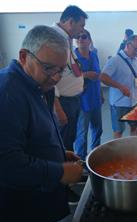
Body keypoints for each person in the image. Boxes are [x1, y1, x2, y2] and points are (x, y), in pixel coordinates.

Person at [0, 25, 83, 222]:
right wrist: (60, 171)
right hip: (22, 209)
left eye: (61, 70)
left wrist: (59, 153)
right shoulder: (7, 94)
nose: (55, 77)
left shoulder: (39, 84)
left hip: (43, 199)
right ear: (23, 56)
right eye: (48, 68)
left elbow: (34, 133)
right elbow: (8, 164)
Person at [52, 5, 88, 151]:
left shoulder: (65, 38)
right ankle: (66, 172)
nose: (82, 30)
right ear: (70, 22)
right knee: (63, 142)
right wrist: (57, 107)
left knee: (69, 138)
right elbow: (48, 76)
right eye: (81, 25)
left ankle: (69, 168)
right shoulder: (54, 38)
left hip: (72, 100)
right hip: (62, 102)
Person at [100, 35, 137, 139]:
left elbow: (135, 75)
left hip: (134, 101)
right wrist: (120, 86)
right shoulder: (115, 60)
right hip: (119, 103)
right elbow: (102, 77)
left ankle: (134, 149)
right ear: (128, 45)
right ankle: (119, 152)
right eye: (136, 49)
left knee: (135, 127)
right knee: (118, 131)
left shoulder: (136, 60)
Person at [73, 29, 103, 160]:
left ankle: (95, 155)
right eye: (78, 37)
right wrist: (86, 75)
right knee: (82, 133)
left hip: (95, 97)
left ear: (89, 40)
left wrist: (101, 93)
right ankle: (81, 161)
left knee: (98, 129)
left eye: (84, 36)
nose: (80, 39)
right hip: (82, 100)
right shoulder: (72, 58)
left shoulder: (94, 55)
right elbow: (70, 78)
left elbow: (99, 75)